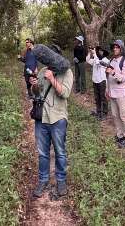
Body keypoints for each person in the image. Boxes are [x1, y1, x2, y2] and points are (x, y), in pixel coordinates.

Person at [29, 46, 74, 198]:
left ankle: (61, 180)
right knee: (42, 153)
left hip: (58, 118)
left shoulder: (67, 72)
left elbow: (65, 93)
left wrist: (52, 79)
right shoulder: (42, 71)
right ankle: (43, 180)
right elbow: (36, 93)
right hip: (41, 118)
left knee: (60, 152)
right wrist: (34, 84)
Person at [105, 39, 125, 148]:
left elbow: (123, 78)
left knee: (124, 116)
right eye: (114, 47)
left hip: (121, 94)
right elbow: (108, 78)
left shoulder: (124, 62)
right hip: (112, 93)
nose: (115, 49)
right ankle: (120, 135)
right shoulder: (111, 60)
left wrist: (113, 72)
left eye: (117, 47)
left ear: (121, 49)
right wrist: (107, 90)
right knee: (115, 116)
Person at [86, 46, 110, 120]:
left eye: (101, 51)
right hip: (95, 80)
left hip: (102, 81)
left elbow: (98, 63)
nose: (99, 52)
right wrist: (90, 52)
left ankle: (105, 113)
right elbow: (87, 60)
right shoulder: (96, 58)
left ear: (104, 52)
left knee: (103, 97)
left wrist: (95, 54)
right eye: (99, 50)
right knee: (97, 97)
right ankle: (99, 111)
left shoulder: (106, 60)